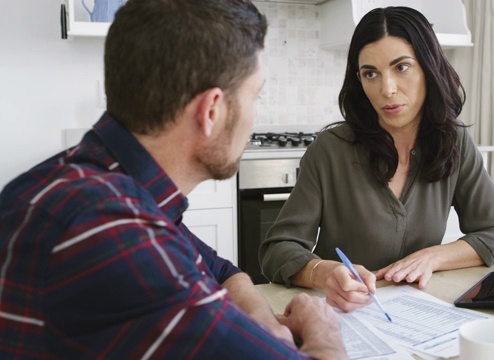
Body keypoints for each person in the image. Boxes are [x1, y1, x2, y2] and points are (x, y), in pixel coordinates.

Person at [0, 0, 345, 358]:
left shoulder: (95, 184)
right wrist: (323, 329)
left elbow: (220, 270)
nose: (254, 117)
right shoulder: (114, 232)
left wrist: (266, 324)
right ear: (211, 111)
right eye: (254, 96)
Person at [259, 6, 494, 313]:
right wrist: (323, 273)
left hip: (420, 313)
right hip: (342, 316)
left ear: (428, 68)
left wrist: (433, 257)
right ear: (359, 80)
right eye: (371, 73)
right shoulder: (330, 149)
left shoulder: (455, 142)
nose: (387, 89)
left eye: (402, 67)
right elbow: (277, 250)